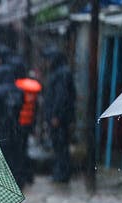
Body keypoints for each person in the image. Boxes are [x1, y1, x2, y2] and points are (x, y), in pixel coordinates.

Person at [43, 47, 75, 183]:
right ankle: (61, 173)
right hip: (60, 117)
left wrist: (56, 115)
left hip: (60, 118)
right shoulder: (60, 72)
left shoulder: (61, 74)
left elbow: (61, 97)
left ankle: (62, 174)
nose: (46, 63)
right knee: (59, 146)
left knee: (60, 146)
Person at [11, 56, 42, 186]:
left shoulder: (17, 87)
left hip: (18, 124)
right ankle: (26, 175)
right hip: (28, 123)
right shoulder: (32, 87)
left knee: (18, 152)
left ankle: (20, 177)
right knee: (24, 150)